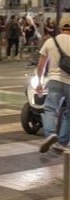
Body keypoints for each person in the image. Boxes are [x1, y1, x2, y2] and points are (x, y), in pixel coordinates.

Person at [34, 21, 70, 154]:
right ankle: (62, 143)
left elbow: (41, 65)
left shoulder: (50, 42)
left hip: (54, 80)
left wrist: (39, 82)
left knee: (50, 109)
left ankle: (50, 133)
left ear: (60, 28)